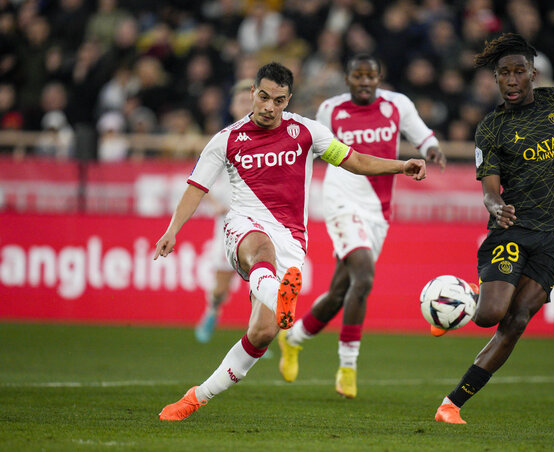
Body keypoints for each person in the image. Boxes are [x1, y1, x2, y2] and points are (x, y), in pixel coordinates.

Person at [153, 62, 427, 421]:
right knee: (261, 249)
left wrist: (401, 165)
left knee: (264, 332)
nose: (269, 107)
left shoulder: (307, 133)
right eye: (263, 97)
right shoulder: (227, 139)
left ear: (288, 100)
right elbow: (196, 188)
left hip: (292, 240)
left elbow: (354, 160)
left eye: (278, 100)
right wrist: (173, 230)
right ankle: (279, 295)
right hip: (245, 226)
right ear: (252, 93)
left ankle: (196, 396)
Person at [434, 17, 554, 425]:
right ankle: (462, 296)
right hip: (513, 229)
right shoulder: (491, 127)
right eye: (503, 73)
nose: (511, 80)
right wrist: (493, 205)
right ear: (495, 78)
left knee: (517, 321)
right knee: (490, 316)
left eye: (518, 71)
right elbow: (490, 188)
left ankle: (451, 405)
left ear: (532, 73)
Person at [277, 53, 446, 398]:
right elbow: (311, 148)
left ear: (380, 78)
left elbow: (424, 137)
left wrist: (433, 151)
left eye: (372, 76)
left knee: (341, 292)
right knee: (364, 276)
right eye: (359, 75)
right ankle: (348, 366)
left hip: (378, 211)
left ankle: (293, 338)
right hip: (341, 200)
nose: (365, 81)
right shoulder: (331, 110)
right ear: (348, 78)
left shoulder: (398, 105)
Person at [194, 78, 253, 344]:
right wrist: (215, 204)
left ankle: (258, 333)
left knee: (263, 279)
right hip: (228, 222)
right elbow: (199, 179)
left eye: (250, 100)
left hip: (261, 220)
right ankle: (212, 310)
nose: (247, 105)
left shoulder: (271, 138)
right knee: (221, 283)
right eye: (241, 100)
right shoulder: (223, 140)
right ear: (232, 107)